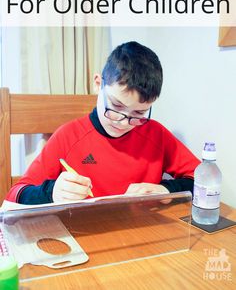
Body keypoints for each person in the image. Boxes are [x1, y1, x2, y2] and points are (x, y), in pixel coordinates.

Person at [6, 41, 200, 205]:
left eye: (139, 113)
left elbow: (202, 179)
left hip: (140, 234)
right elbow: (15, 194)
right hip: (84, 237)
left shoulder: (155, 133)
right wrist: (52, 193)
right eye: (116, 106)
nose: (124, 122)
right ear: (98, 84)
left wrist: (166, 190)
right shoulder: (69, 136)